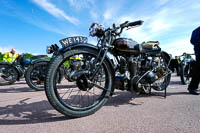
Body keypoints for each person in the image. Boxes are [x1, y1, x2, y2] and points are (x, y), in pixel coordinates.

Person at [188, 26, 200, 95]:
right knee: (198, 69)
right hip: (199, 51)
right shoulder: (197, 30)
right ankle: (192, 87)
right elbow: (193, 40)